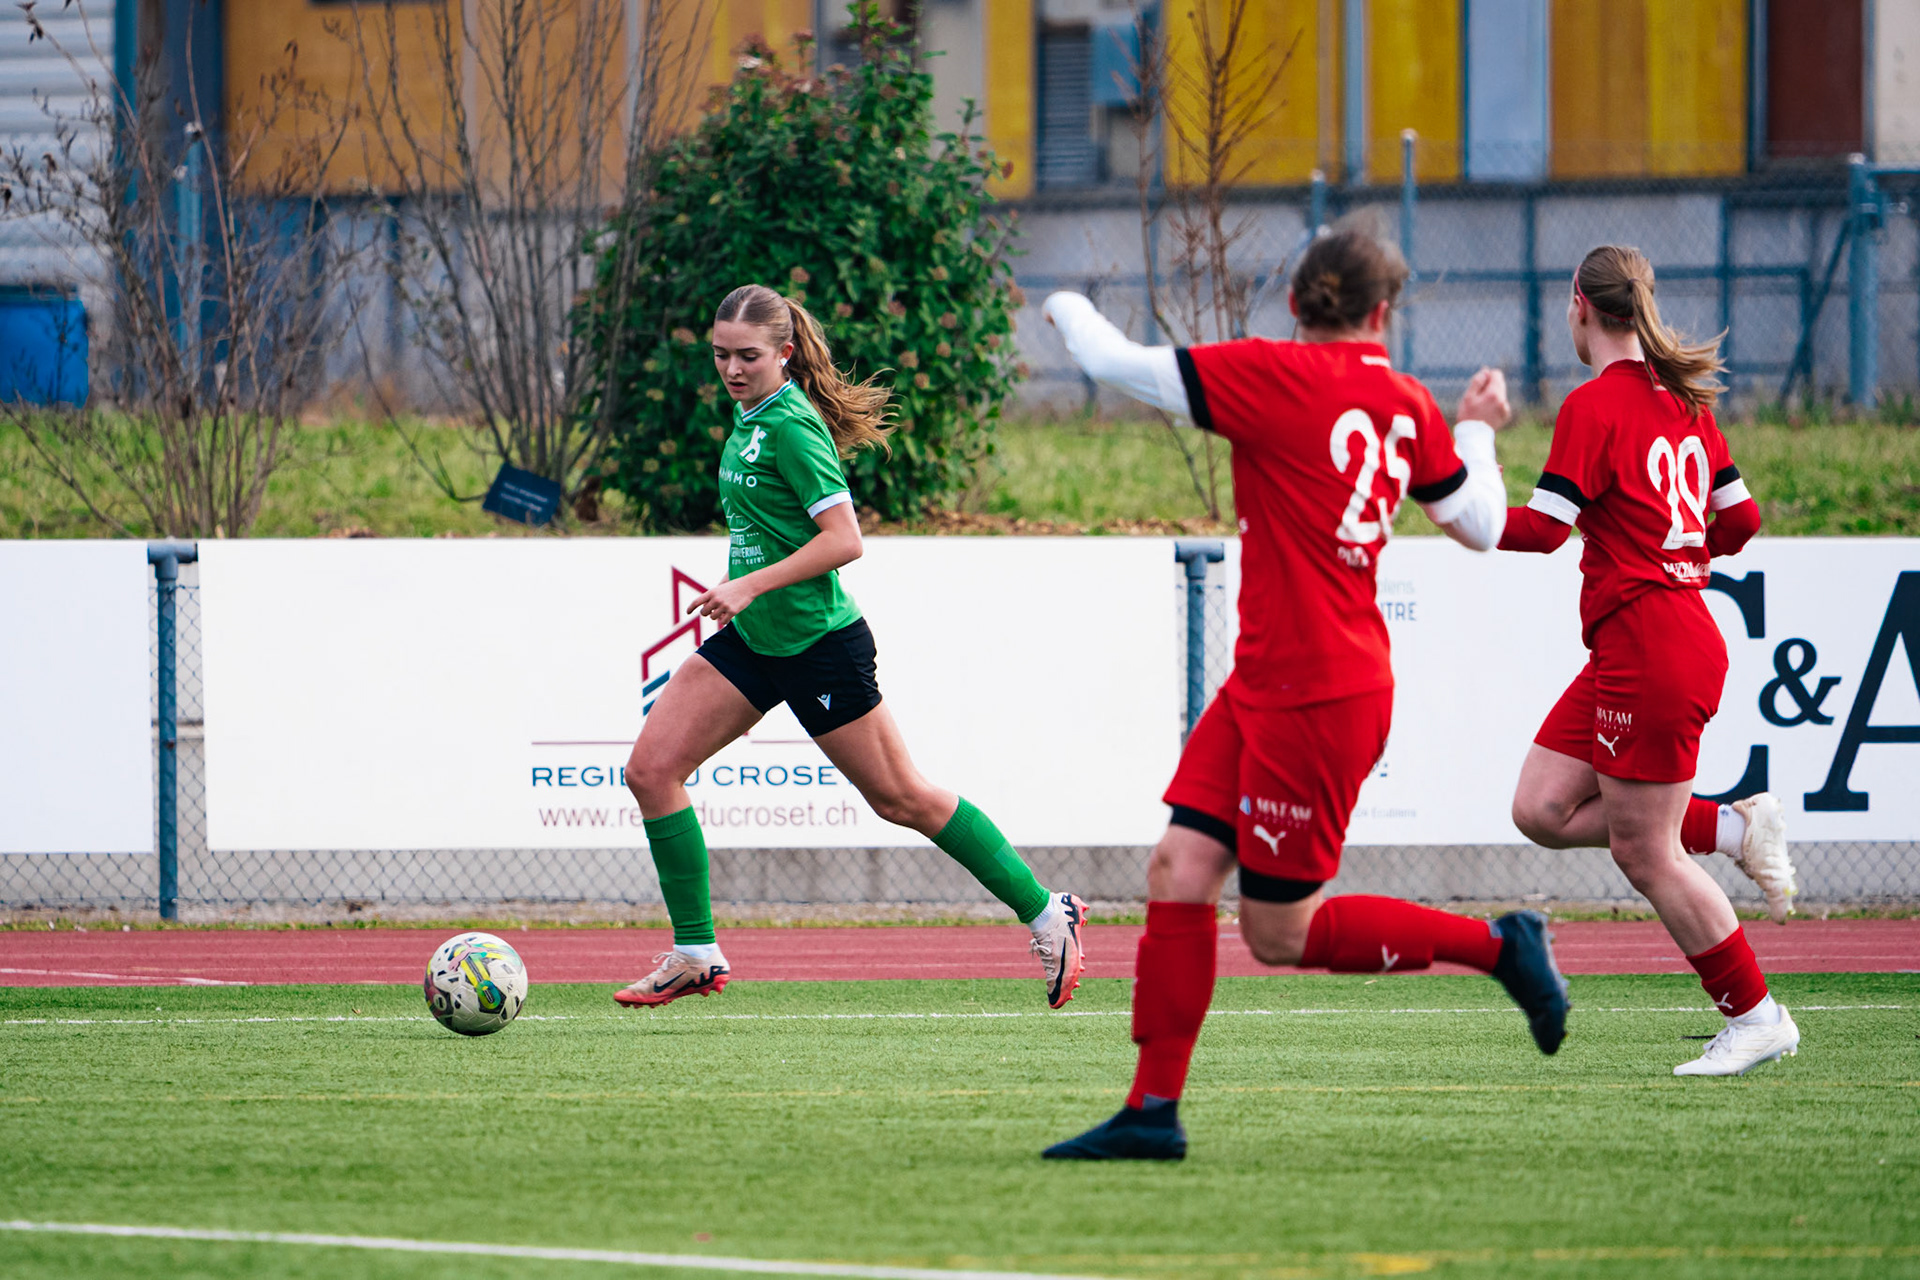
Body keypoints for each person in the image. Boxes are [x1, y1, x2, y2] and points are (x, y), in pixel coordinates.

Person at [1037, 220, 1570, 1162]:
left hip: (1315, 694)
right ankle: (1151, 1113)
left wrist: (1053, 295)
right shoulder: (1408, 400)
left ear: (1294, 302)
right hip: (1275, 682)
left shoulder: (1270, 375)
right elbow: (1482, 526)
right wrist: (1480, 430)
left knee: (1278, 936)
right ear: (1383, 312)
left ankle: (1501, 945)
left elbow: (1104, 358)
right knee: (1178, 870)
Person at [616, 283, 1087, 1010]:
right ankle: (695, 951)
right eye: (720, 356)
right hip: (756, 636)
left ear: (785, 353)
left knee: (902, 799)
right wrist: (742, 581)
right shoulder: (750, 420)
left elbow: (846, 541)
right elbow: (775, 531)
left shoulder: (792, 426)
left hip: (819, 645)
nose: (732, 370)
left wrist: (748, 585)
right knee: (651, 769)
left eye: (748, 356)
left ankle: (1044, 909)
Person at [1501, 245, 1799, 1077]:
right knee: (1540, 808)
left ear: (1578, 307)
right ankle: (1731, 826)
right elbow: (1740, 523)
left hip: (1650, 643)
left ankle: (1755, 1015)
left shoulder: (1594, 407)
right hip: (1652, 636)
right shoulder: (1686, 403)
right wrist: (1669, 546)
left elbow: (1541, 532)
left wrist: (1458, 500)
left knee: (1646, 852)